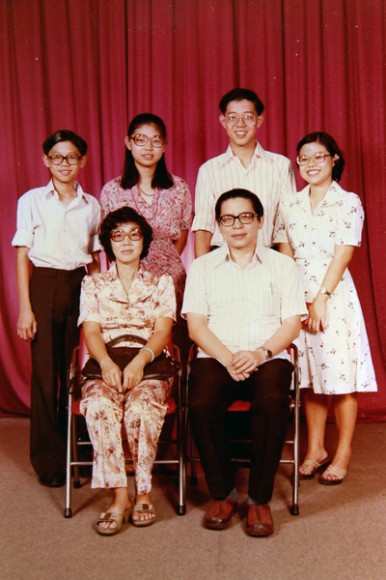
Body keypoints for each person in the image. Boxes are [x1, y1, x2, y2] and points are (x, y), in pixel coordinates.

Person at [182, 189, 307, 537]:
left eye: (245, 217)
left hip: (267, 356)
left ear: (260, 220)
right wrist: (227, 358)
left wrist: (259, 354)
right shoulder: (203, 267)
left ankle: (258, 500)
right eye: (227, 219)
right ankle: (222, 494)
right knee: (202, 402)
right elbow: (196, 325)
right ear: (219, 225)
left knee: (271, 403)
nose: (237, 226)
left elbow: (292, 323)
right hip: (218, 355)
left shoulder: (283, 265)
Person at [274, 132, 378, 485]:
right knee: (311, 377)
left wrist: (320, 297)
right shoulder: (289, 203)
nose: (311, 164)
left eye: (319, 156)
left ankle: (343, 451)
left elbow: (344, 251)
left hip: (333, 294)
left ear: (334, 159)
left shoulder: (348, 202)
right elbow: (283, 247)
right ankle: (315, 448)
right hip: (297, 293)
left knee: (340, 377)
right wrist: (295, 296)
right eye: (304, 158)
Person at [79, 206, 176, 535]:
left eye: (134, 235)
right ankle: (119, 496)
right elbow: (91, 332)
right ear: (108, 243)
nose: (126, 242)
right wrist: (106, 363)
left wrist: (139, 361)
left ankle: (144, 493)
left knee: (141, 408)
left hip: (148, 359)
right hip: (106, 358)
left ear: (144, 242)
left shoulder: (161, 282)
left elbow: (163, 330)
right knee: (99, 405)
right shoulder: (93, 284)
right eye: (117, 236)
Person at [12, 130, 101, 488]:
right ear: (46, 160)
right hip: (45, 283)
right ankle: (49, 459)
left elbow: (94, 258)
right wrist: (26, 308)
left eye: (72, 157)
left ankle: (78, 453)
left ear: (83, 162)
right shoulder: (32, 200)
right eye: (57, 157)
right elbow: (22, 254)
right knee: (48, 372)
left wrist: (99, 300)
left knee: (80, 369)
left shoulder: (91, 204)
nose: (65, 164)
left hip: (80, 283)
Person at [100, 113, 192, 320]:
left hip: (171, 277)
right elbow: (108, 239)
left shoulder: (179, 188)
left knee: (172, 342)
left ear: (164, 146)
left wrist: (165, 260)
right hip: (127, 279)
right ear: (128, 143)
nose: (148, 147)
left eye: (156, 140)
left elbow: (184, 232)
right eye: (141, 140)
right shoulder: (112, 190)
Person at [192, 88, 296, 257]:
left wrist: (284, 271)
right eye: (232, 118)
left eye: (248, 117)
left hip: (268, 259)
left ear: (259, 120)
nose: (240, 124)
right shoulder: (209, 170)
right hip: (221, 262)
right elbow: (203, 229)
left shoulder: (281, 166)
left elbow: (286, 226)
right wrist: (202, 275)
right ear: (223, 121)